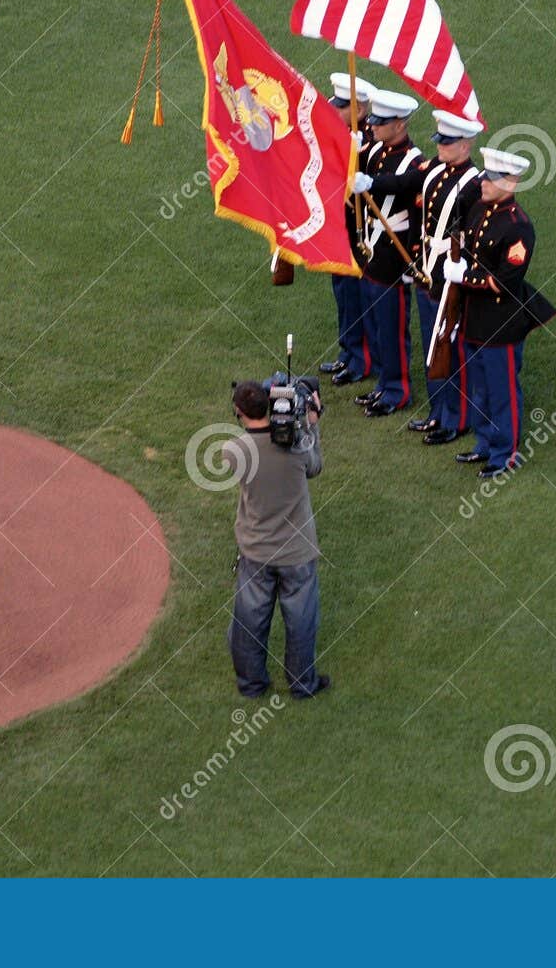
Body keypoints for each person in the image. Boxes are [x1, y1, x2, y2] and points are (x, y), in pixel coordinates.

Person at [444, 147, 556, 477]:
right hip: (473, 317)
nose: (483, 183)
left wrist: (464, 276)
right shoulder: (482, 207)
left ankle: (504, 453)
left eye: (491, 179)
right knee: (478, 385)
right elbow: (458, 209)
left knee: (501, 389)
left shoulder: (518, 227)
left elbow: (505, 283)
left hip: (499, 321)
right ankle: (485, 443)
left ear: (510, 183)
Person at [224, 380, 332, 700]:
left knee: (248, 622)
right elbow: (314, 466)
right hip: (297, 552)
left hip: (256, 551)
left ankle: (252, 684)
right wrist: (309, 424)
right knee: (301, 621)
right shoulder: (297, 444)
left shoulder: (234, 451)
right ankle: (301, 684)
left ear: (239, 412)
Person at [403, 110, 484, 445]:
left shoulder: (474, 185)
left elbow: (475, 233)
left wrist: (462, 271)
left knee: (449, 346)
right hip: (428, 269)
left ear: (465, 146)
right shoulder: (436, 170)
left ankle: (457, 418)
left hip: (451, 275)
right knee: (431, 342)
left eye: (448, 143)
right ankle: (439, 410)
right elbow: (421, 216)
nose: (441, 147)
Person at [350, 88, 423, 417]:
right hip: (371, 244)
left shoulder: (415, 159)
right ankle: (383, 382)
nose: (374, 126)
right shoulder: (375, 147)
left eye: (382, 123)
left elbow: (405, 184)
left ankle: (397, 390)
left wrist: (372, 183)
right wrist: (349, 151)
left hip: (394, 250)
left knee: (391, 325)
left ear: (400, 125)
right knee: (375, 320)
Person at [320, 71, 376, 386]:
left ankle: (361, 360)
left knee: (356, 295)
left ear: (359, 110)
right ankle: (348, 352)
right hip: (339, 228)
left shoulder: (367, 141)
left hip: (360, 232)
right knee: (343, 293)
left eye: (341, 106)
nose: (334, 110)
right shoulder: (344, 135)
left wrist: (357, 152)